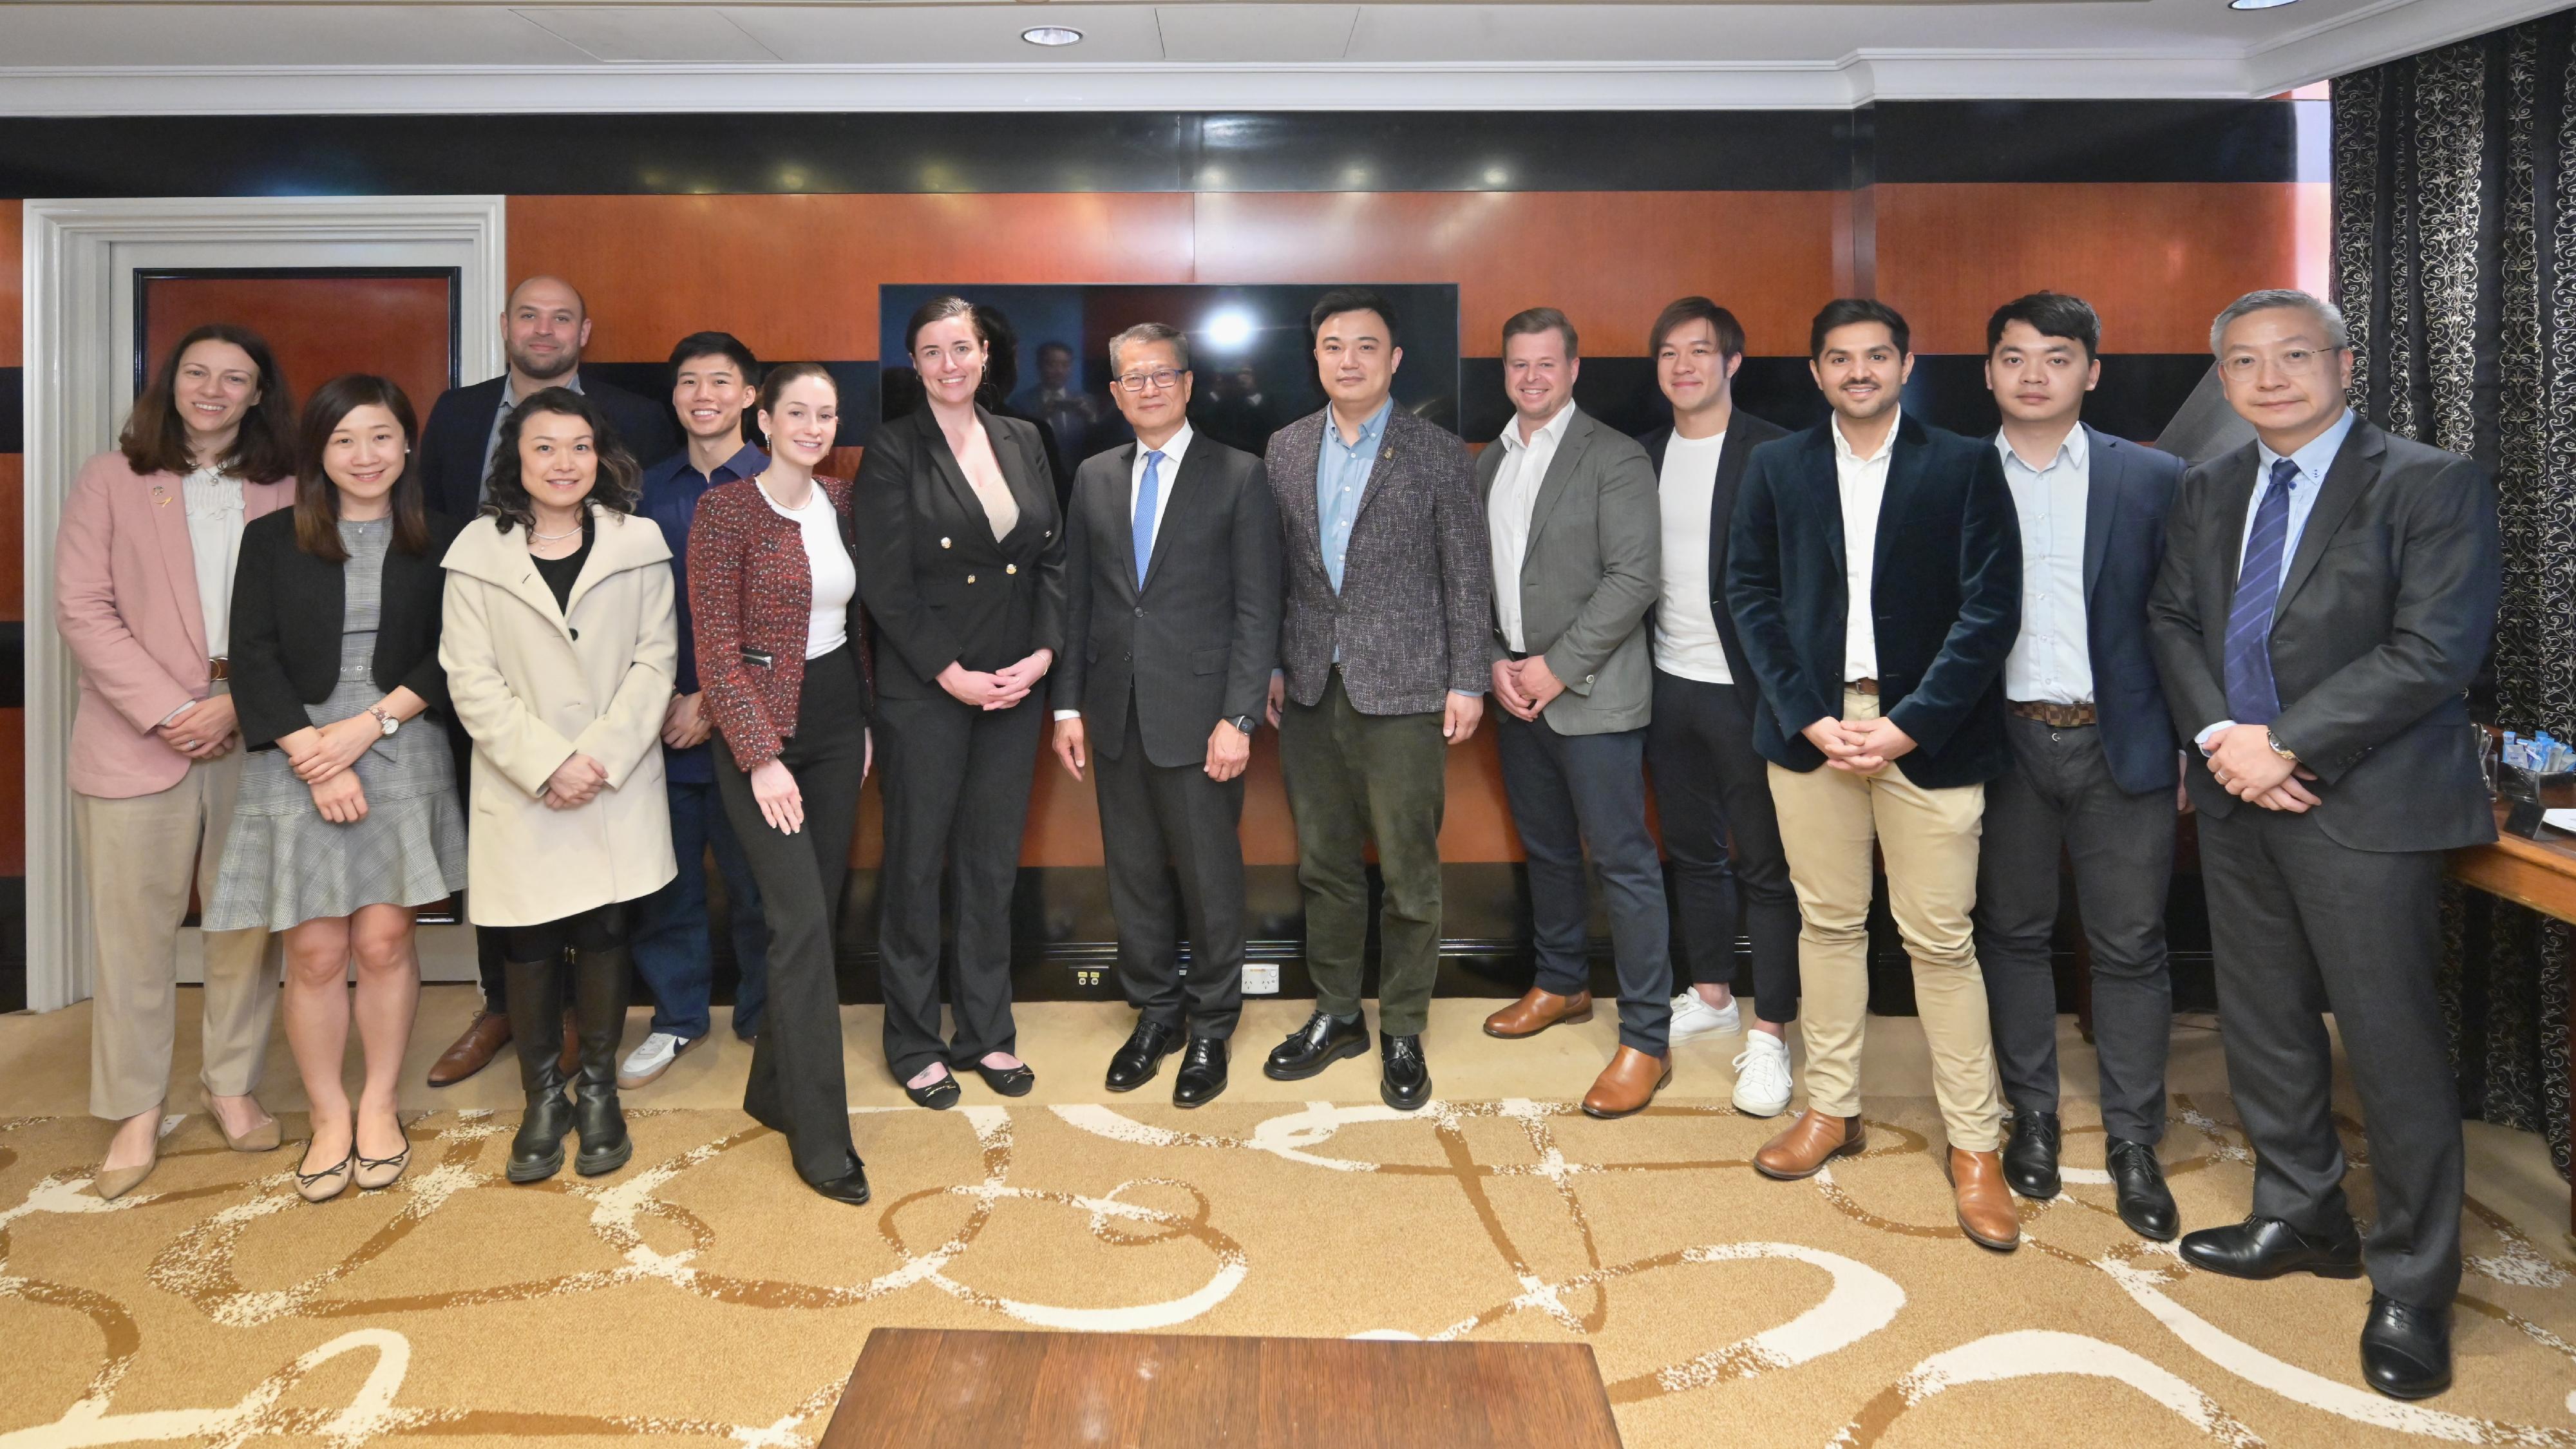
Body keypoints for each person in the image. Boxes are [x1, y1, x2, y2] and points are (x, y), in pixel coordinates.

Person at [2152, 290, 2499, 1400]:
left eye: (2294, 356)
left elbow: (2433, 649)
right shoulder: (2210, 488)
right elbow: (2169, 620)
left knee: (2390, 1045)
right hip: (2239, 796)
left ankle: (2413, 1279)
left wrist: (2288, 745)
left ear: (2345, 365)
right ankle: (2301, 1213)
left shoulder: (2430, 482)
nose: (2270, 379)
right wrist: (2221, 738)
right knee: (2263, 1022)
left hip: (2366, 802)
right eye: (2245, 362)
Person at [1725, 298, 2022, 1250]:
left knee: (1940, 940)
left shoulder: (1967, 463)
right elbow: (1750, 596)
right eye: (1839, 359)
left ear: (1906, 364)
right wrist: (1810, 715)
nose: (1858, 372)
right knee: (1829, 923)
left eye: (1876, 356)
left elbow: (1990, 611)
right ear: (1816, 372)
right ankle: (1831, 1107)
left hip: (1925, 734)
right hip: (1812, 727)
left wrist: (1905, 726)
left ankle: (1977, 1143)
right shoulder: (1776, 466)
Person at [415, 275, 681, 1088]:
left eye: (560, 315)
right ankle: (508, 1018)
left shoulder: (635, 465)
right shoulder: (459, 423)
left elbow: (653, 654)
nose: (563, 462)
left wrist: (596, 755)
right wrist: (544, 759)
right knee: (519, 911)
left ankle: (586, 1049)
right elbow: (464, 644)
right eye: (528, 314)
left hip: (611, 749)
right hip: (510, 724)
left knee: (603, 917)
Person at [207, 375, 468, 1202]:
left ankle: (380, 1106)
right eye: (346, 439)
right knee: (316, 950)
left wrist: (368, 730)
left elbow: (452, 654)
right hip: (295, 749)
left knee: (386, 940)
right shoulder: (274, 537)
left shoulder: (442, 538)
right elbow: (250, 654)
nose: (366, 455)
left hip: (402, 737)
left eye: (382, 436)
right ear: (320, 451)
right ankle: (328, 1115)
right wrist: (312, 754)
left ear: (406, 446)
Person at [55, 323, 297, 1199]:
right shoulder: (111, 478)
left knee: (244, 929)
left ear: (260, 394)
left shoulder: (286, 486)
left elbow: (302, 610)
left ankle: (231, 1084)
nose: (213, 390)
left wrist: (238, 702)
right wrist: (171, 710)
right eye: (199, 373)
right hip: (133, 738)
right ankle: (132, 1106)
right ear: (172, 383)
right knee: (134, 938)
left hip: (255, 730)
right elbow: (82, 609)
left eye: (236, 378)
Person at [1967, 293, 2186, 1240]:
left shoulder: (2155, 477)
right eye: (2013, 358)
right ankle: (2038, 1115)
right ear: (1989, 372)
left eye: (2055, 358)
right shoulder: (1953, 474)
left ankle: (2136, 1137)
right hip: (2001, 740)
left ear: (2090, 372)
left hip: (2120, 737)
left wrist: (2190, 738)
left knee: (2131, 943)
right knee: (2011, 932)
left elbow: (2184, 618)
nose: (2033, 375)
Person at [1262, 289, 1490, 1112]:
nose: (1347, 360)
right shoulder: (1284, 449)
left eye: (1365, 346)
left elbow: (1467, 575)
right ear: (1315, 358)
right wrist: (1275, 667)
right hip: (1310, 688)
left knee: (1408, 872)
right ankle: (1335, 1013)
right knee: (1324, 866)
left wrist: (1468, 679)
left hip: (1405, 689)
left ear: (1394, 360)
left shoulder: (1435, 452)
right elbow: (1281, 576)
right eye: (1331, 345)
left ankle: (1401, 1023)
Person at [1048, 323, 1281, 1107]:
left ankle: (1212, 1025)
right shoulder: (1093, 477)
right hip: (1115, 712)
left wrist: (1239, 718)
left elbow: (1258, 610)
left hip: (1203, 716)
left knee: (1212, 881)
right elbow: (1077, 600)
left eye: (1162, 375)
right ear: (1114, 394)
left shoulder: (1240, 477)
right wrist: (1069, 705)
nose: (1147, 388)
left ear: (1187, 385)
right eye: (1132, 378)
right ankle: (1155, 1014)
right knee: (1134, 876)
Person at [855, 297, 1066, 1110]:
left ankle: (986, 1032)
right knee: (915, 867)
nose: (949, 364)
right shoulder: (891, 449)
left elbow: (1052, 558)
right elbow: (886, 583)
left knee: (989, 867)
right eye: (931, 351)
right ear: (915, 363)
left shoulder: (1023, 438)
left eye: (962, 348)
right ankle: (912, 1040)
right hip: (928, 690)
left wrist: (1042, 655)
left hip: (1015, 684)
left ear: (985, 356)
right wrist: (949, 673)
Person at [1472, 308, 1671, 1119]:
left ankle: (1647, 1040)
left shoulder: (1614, 456)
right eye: (1518, 365)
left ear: (1574, 368)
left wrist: (1555, 668)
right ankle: (1560, 984)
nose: (1530, 378)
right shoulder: (1492, 458)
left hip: (1592, 695)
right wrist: (1494, 659)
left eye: (1545, 365)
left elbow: (1633, 579)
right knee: (1549, 853)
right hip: (1516, 697)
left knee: (1623, 863)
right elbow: (1482, 576)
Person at [689, 363, 873, 1205]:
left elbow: (852, 626)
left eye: (825, 412)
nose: (811, 423)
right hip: (762, 732)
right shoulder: (726, 510)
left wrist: (864, 722)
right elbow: (716, 650)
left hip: (838, 725)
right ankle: (824, 1137)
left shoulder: (842, 500)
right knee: (798, 924)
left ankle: (770, 1089)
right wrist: (760, 755)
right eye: (795, 410)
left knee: (815, 917)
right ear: (764, 418)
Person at [1634, 297, 1799, 1118]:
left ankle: (1769, 1035)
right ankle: (1710, 994)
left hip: (1751, 691)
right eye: (1668, 353)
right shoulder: (1642, 455)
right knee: (1692, 851)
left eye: (1699, 352)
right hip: (1664, 683)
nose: (1683, 367)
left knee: (1766, 865)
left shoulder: (1778, 451)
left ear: (1732, 362)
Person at [621, 332, 773, 1088]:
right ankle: (677, 1018)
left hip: (755, 725)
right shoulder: (641, 493)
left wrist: (713, 700)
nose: (703, 395)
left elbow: (791, 617)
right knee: (668, 885)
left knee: (758, 883)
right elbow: (622, 615)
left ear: (750, 395)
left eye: (721, 381)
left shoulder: (784, 486)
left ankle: (764, 1013)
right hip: (658, 725)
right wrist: (664, 702)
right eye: (688, 381)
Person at [1009, 339, 1104, 468]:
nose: (1059, 371)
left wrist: (1091, 419)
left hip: (1080, 475)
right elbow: (1015, 443)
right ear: (1039, 366)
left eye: (1065, 365)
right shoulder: (1021, 403)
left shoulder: (1086, 401)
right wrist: (1040, 417)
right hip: (1039, 473)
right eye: (1052, 364)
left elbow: (1100, 445)